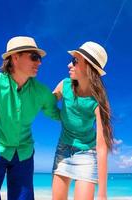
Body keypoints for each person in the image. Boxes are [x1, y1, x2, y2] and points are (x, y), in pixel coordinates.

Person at [0, 36, 60, 200]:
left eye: (39, 58)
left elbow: (57, 113)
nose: (39, 62)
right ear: (15, 56)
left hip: (24, 154)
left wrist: (73, 95)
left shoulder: (41, 92)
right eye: (34, 57)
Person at [52, 41, 114, 200]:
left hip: (87, 153)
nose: (68, 65)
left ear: (89, 68)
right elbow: (45, 104)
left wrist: (102, 194)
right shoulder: (64, 85)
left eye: (74, 61)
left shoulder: (98, 102)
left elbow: (101, 147)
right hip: (63, 150)